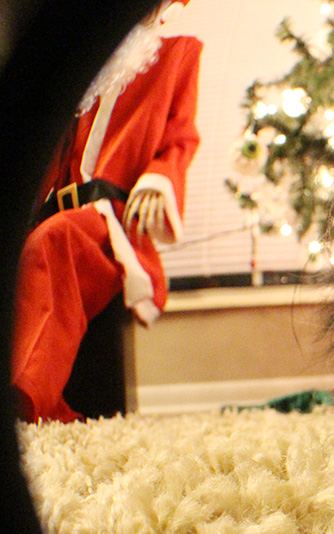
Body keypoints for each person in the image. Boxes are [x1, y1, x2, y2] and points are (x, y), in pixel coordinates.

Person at [11, 0, 201, 423]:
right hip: (57, 210)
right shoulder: (82, 73)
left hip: (113, 221)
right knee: (37, 244)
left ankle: (24, 394)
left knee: (53, 242)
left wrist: (157, 180)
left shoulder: (176, 54)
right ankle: (43, 394)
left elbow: (181, 137)